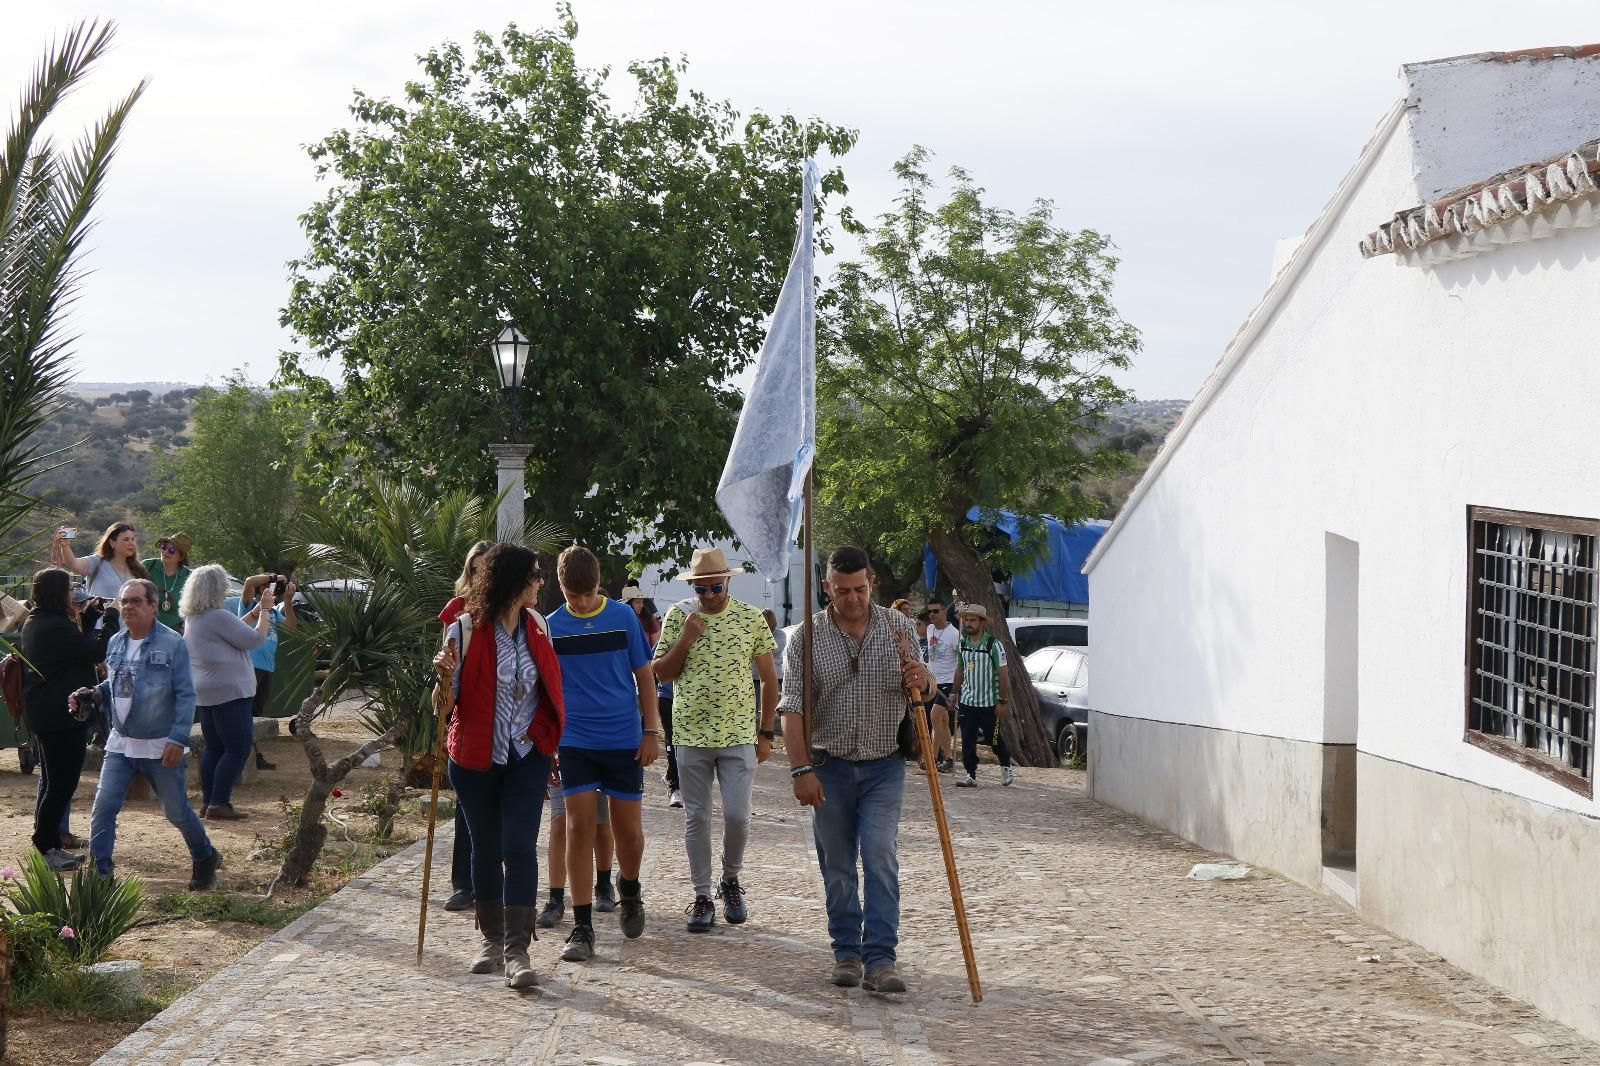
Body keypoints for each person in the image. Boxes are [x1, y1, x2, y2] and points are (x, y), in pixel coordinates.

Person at [779, 546, 933, 994]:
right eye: (843, 590)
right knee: (839, 865)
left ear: (871, 585)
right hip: (829, 767)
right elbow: (792, 709)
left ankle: (881, 959)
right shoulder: (806, 638)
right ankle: (846, 952)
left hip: (885, 765)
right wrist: (799, 769)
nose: (852, 598)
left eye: (860, 589)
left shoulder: (898, 627)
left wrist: (922, 680)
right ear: (828, 587)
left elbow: (922, 688)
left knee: (880, 855)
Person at [433, 542, 564, 989]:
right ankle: (490, 940)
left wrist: (547, 738)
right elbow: (445, 706)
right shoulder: (464, 630)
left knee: (519, 847)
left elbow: (549, 688)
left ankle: (517, 950)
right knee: (484, 848)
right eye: (534, 576)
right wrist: (443, 677)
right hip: (474, 757)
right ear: (512, 581)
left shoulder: (540, 626)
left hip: (527, 755)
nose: (540, 583)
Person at [653, 547, 777, 933]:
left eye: (716, 587)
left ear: (728, 582)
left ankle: (731, 880)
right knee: (697, 817)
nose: (709, 596)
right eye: (702, 589)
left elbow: (770, 680)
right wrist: (685, 639)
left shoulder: (750, 618)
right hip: (690, 733)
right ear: (693, 587)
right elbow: (661, 673)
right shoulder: (679, 617)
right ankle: (703, 894)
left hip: (739, 734)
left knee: (739, 816)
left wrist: (766, 731)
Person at [545, 546, 659, 962]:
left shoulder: (623, 617)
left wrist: (651, 730)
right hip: (576, 741)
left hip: (623, 739)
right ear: (561, 589)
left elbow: (644, 675)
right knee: (577, 827)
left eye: (589, 593)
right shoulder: (552, 627)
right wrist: (549, 744)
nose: (583, 602)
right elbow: (546, 689)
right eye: (574, 596)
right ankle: (581, 925)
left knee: (627, 832)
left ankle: (630, 887)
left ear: (599, 585)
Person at [76, 579, 222, 889]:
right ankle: (101, 874)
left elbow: (185, 694)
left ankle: (205, 854)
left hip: (161, 744)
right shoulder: (115, 642)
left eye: (136, 601)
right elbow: (117, 685)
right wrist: (93, 694)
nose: (128, 607)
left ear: (153, 606)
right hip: (121, 742)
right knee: (104, 807)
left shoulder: (172, 643)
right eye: (124, 601)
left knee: (176, 811)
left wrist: (179, 738)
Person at [21, 569, 112, 870]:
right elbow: (96, 651)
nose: (73, 594)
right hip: (60, 717)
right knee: (61, 784)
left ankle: (50, 844)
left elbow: (75, 649)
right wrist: (110, 619)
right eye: (69, 589)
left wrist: (87, 619)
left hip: (47, 714)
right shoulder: (55, 626)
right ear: (57, 593)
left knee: (52, 782)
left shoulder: (40, 621)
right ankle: (47, 847)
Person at [182, 565, 274, 819]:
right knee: (238, 748)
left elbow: (232, 632)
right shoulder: (216, 615)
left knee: (215, 748)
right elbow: (254, 640)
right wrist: (265, 611)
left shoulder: (196, 617)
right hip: (230, 691)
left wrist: (254, 614)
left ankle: (209, 801)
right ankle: (219, 803)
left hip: (208, 690)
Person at [438, 540, 493, 913]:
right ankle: (463, 883)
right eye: (473, 568)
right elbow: (445, 667)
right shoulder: (456, 612)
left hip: (501, 725)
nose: (478, 575)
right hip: (466, 722)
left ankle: (492, 877)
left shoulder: (514, 613)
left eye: (484, 569)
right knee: (465, 808)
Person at [224, 572, 298, 772]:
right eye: (266, 585)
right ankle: (248, 755)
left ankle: (249, 754)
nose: (271, 588)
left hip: (267, 667)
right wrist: (274, 577)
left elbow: (292, 627)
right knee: (244, 712)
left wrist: (288, 601)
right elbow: (248, 582)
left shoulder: (273, 612)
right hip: (250, 666)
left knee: (253, 714)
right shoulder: (250, 605)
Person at [537, 775, 614, 928]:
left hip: (602, 755)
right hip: (564, 755)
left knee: (601, 821)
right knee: (560, 820)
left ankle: (604, 884)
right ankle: (555, 899)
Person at [952, 604, 1013, 788]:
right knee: (968, 740)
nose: (969, 624)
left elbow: (1003, 673)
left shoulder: (993, 645)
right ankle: (970, 773)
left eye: (973, 620)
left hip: (989, 702)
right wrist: (954, 693)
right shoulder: (962, 644)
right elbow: (960, 669)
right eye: (967, 620)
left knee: (993, 739)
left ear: (982, 623)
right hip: (968, 701)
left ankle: (1005, 764)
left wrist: (1002, 701)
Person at [52, 522, 149, 616]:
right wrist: (65, 546)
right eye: (126, 539)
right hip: (99, 628)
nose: (131, 543)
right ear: (112, 542)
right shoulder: (97, 562)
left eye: (132, 539)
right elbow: (73, 563)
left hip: (128, 629)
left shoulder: (138, 569)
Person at [923, 599, 959, 772]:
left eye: (936, 611)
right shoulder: (930, 629)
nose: (932, 614)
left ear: (945, 612)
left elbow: (962, 662)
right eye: (930, 611)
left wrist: (958, 689)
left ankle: (931, 757)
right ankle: (949, 758)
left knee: (935, 716)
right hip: (933, 680)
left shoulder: (954, 634)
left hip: (948, 682)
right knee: (942, 722)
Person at [142, 533, 193, 632]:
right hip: (145, 628)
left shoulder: (189, 577)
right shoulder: (148, 566)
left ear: (181, 557)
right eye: (164, 547)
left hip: (174, 633)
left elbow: (193, 608)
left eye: (172, 550)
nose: (165, 551)